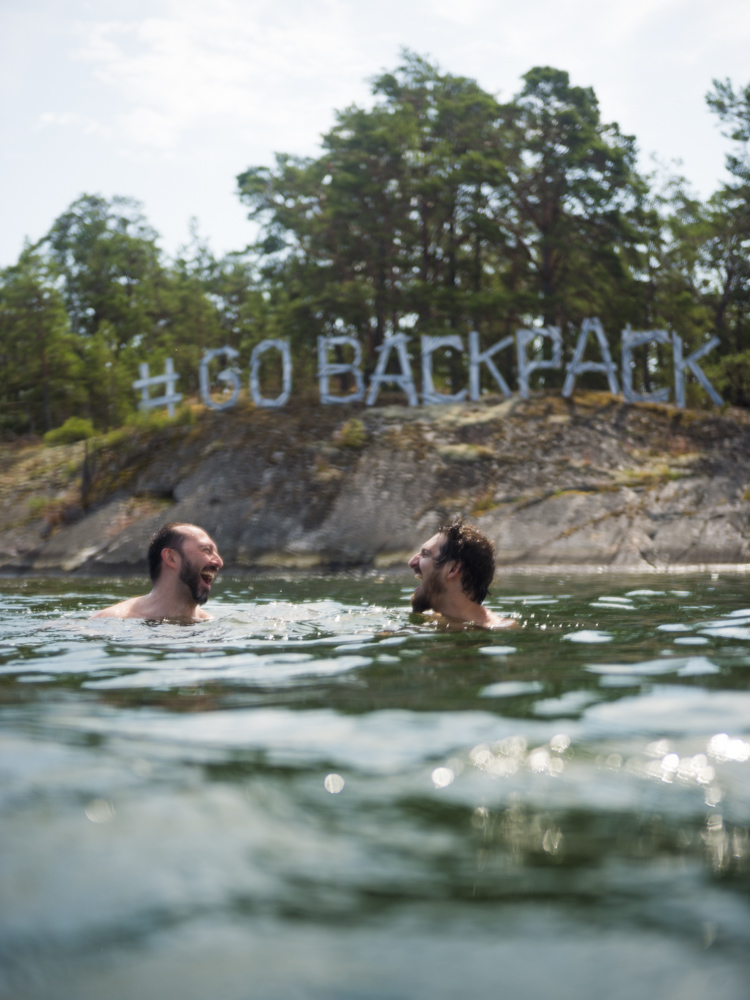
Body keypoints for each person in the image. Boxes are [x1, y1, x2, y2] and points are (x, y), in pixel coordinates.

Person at [90, 522, 223, 621]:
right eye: (206, 550)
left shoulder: (210, 624)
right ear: (171, 558)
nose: (219, 562)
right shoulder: (112, 619)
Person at [407, 518, 515, 628]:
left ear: (453, 569)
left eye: (425, 554)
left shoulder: (499, 629)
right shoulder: (433, 621)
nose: (411, 562)